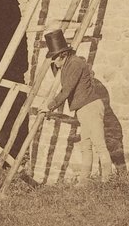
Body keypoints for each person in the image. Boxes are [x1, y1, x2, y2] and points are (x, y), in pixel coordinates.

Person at [43, 28, 114, 180]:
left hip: (90, 107)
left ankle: (107, 180)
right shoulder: (67, 64)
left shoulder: (75, 64)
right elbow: (59, 76)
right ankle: (84, 180)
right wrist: (54, 64)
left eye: (54, 58)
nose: (53, 62)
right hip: (83, 109)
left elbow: (66, 90)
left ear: (63, 55)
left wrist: (49, 106)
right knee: (85, 145)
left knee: (99, 144)